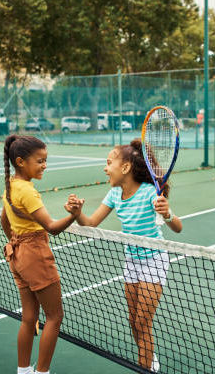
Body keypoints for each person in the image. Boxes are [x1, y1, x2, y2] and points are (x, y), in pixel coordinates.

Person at [66, 139, 182, 372]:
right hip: (131, 261)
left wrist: (167, 213)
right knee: (133, 322)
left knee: (142, 321)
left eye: (109, 163)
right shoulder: (114, 194)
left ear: (126, 167)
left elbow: (178, 227)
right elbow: (90, 223)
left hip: (155, 260)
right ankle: (148, 355)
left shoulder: (150, 192)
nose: (105, 168)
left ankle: (145, 366)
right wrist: (78, 213)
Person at [0, 135, 83, 374]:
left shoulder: (10, 186)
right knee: (55, 317)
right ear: (20, 162)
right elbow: (52, 227)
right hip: (35, 255)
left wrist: (18, 245)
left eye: (46, 160)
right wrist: (74, 215)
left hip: (17, 256)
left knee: (29, 318)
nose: (44, 165)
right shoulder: (27, 191)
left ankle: (24, 370)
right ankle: (42, 372)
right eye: (40, 161)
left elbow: (4, 221)